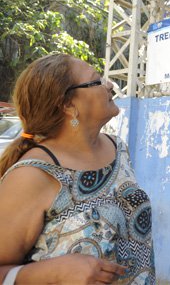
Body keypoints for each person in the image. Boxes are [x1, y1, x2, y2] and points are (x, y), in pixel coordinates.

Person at [0, 54, 155, 284]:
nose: (110, 85)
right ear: (68, 105)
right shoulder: (33, 175)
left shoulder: (118, 148)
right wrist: (53, 272)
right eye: (97, 81)